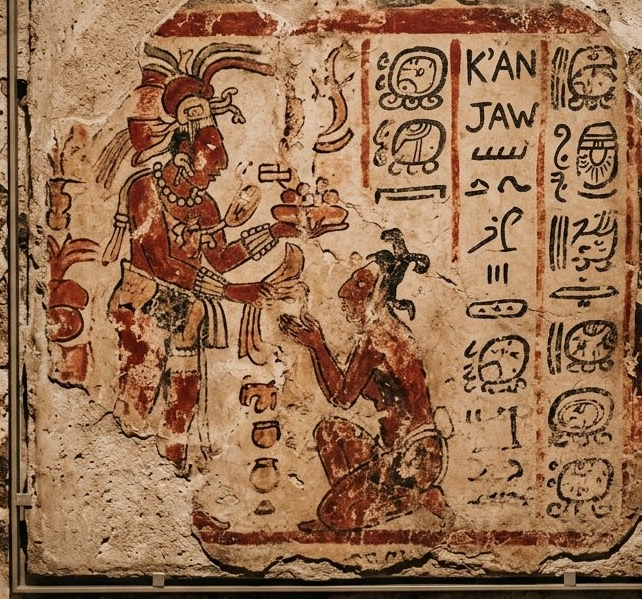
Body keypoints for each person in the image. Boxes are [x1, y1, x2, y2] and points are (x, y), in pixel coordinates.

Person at [99, 48, 300, 473]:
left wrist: (272, 232)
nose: (212, 180)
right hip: (143, 301)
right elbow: (160, 262)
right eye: (208, 172)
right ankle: (124, 472)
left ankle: (173, 461)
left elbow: (222, 258)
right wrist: (231, 293)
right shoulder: (144, 190)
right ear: (183, 159)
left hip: (184, 308)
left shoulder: (204, 204)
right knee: (139, 395)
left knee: (185, 395)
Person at [280, 229, 450, 532]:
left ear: (378, 295)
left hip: (413, 458)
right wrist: (316, 346)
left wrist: (318, 346)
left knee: (331, 515)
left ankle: (412, 499)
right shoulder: (380, 332)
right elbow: (341, 397)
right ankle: (364, 504)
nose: (346, 292)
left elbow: (342, 397)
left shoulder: (377, 337)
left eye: (359, 285)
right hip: (399, 454)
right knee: (330, 432)